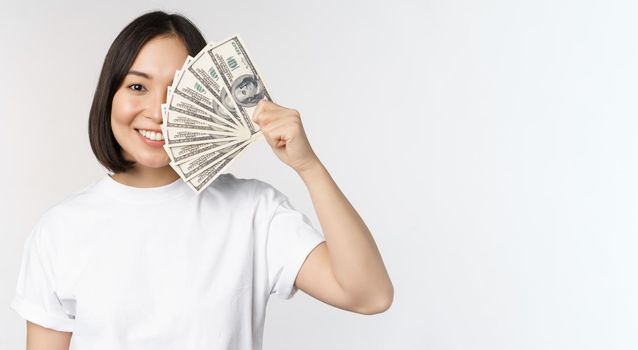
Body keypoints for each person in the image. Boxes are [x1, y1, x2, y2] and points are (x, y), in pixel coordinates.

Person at [9, 11, 393, 350]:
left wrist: (308, 166)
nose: (158, 112)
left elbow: (369, 294)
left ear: (205, 99)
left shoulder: (253, 212)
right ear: (109, 95)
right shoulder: (60, 229)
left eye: (176, 91)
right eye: (137, 86)